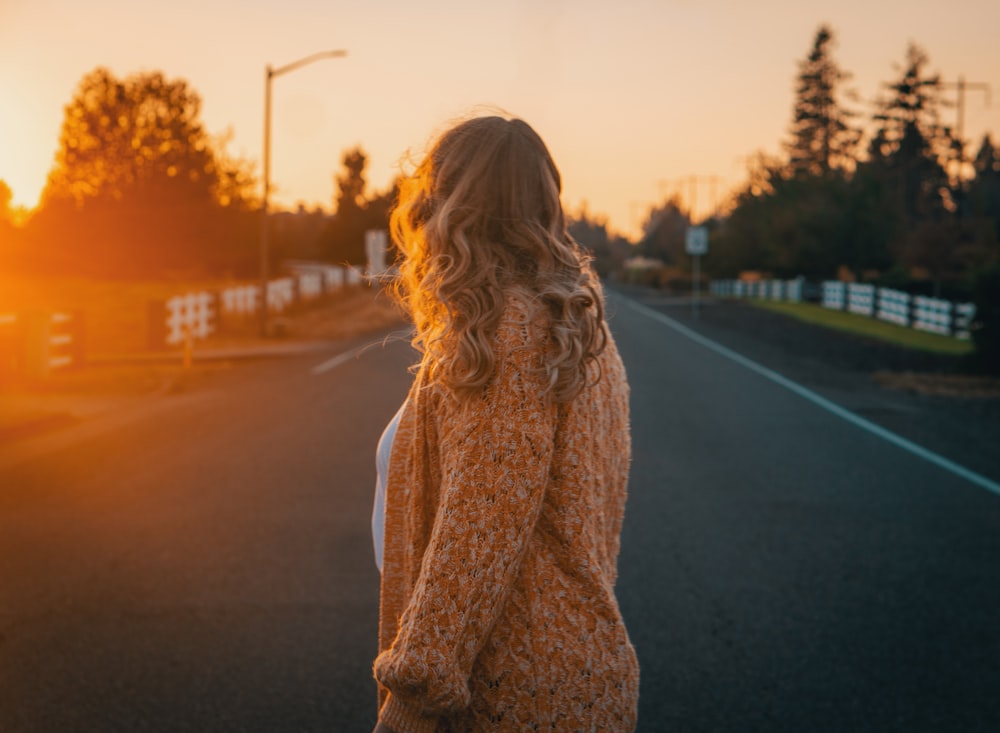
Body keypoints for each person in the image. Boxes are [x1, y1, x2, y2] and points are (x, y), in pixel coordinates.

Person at [371, 114, 638, 733]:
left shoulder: (510, 332)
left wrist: (411, 699)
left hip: (511, 695)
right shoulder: (577, 329)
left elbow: (481, 521)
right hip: (574, 676)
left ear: (447, 205)